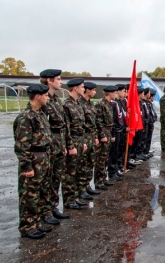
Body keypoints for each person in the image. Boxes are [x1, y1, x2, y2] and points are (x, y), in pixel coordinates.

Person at [14, 84, 52, 239]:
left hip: (43, 157)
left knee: (40, 192)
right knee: (29, 194)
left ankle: (37, 222)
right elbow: (22, 145)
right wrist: (27, 166)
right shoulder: (26, 117)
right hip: (33, 159)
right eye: (46, 95)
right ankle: (27, 226)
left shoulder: (40, 114)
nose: (48, 97)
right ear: (38, 96)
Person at [39, 69, 69, 222]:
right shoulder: (42, 100)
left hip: (59, 143)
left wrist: (65, 144)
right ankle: (45, 212)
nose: (61, 82)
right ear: (49, 81)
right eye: (58, 79)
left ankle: (53, 207)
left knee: (56, 178)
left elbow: (63, 124)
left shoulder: (56, 100)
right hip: (48, 145)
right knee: (46, 180)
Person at [62, 78, 87, 210]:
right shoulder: (66, 105)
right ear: (76, 88)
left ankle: (76, 196)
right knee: (69, 172)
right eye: (82, 87)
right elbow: (66, 128)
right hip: (72, 140)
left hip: (80, 140)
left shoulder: (78, 104)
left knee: (78, 170)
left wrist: (82, 142)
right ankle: (69, 199)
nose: (84, 89)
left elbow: (81, 126)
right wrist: (70, 146)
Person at [78, 81, 101, 197]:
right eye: (93, 90)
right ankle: (81, 188)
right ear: (87, 90)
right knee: (82, 164)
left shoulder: (91, 104)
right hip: (84, 137)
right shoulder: (79, 104)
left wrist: (96, 136)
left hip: (91, 137)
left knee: (90, 162)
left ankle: (87, 186)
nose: (95, 92)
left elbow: (94, 122)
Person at [95, 85, 117, 190]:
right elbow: (98, 121)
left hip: (108, 132)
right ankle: (98, 182)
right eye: (114, 93)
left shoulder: (108, 104)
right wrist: (102, 135)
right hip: (103, 133)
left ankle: (103, 179)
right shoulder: (101, 104)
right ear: (109, 93)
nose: (115, 94)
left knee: (105, 158)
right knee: (100, 159)